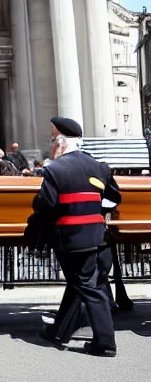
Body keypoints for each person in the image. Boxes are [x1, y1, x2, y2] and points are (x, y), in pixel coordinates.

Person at [25, 117, 121, 357]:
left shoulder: (55, 169)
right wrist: (93, 207)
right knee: (79, 282)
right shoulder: (99, 166)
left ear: (61, 143)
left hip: (70, 238)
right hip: (95, 234)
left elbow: (45, 204)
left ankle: (105, 342)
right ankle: (58, 332)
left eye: (53, 140)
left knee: (88, 286)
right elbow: (114, 198)